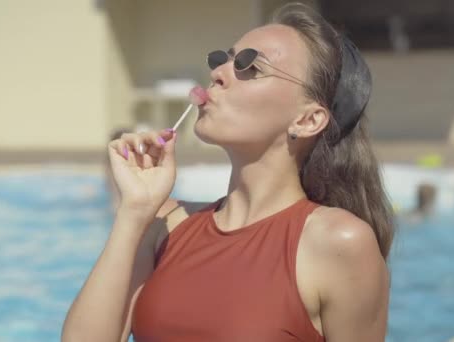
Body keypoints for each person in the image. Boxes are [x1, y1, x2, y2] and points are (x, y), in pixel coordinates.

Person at [62, 3, 395, 342]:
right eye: (222, 59)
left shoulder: (339, 243)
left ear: (307, 120)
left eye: (248, 65)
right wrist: (134, 211)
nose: (218, 72)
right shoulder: (163, 224)